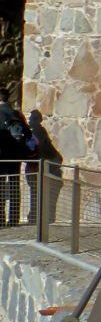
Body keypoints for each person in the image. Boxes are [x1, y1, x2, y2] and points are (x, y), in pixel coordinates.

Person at [0, 89, 33, 227]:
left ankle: (1, 219)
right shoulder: (17, 114)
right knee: (14, 185)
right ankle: (14, 219)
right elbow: (29, 136)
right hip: (16, 157)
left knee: (1, 186)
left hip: (1, 156)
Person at [25, 110, 62, 225]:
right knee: (38, 193)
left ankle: (35, 217)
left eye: (31, 119)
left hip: (37, 169)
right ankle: (36, 216)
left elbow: (34, 151)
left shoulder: (37, 133)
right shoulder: (40, 132)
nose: (29, 121)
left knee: (36, 194)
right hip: (40, 168)